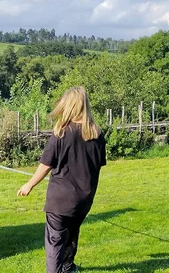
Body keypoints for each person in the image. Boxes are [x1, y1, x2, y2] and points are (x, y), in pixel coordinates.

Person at [17, 86, 107, 273]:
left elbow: (46, 164)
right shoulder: (97, 134)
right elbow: (97, 165)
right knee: (72, 234)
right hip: (84, 199)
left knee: (55, 241)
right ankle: (68, 268)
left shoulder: (61, 132)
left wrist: (29, 184)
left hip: (60, 200)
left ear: (69, 106)